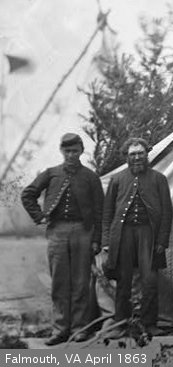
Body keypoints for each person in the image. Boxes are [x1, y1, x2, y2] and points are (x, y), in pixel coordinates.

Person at [21, 133, 104, 345]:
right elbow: (27, 194)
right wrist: (39, 216)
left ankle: (79, 328)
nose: (71, 155)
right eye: (67, 151)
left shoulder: (91, 177)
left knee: (81, 282)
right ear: (61, 151)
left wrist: (96, 239)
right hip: (57, 232)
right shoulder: (51, 173)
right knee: (59, 281)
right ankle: (59, 329)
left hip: (82, 232)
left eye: (75, 151)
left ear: (81, 151)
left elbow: (99, 212)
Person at [102, 137, 173, 337]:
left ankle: (149, 324)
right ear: (127, 156)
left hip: (148, 235)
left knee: (150, 280)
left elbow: (167, 212)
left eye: (140, 153)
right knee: (123, 280)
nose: (137, 158)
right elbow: (107, 213)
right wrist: (106, 241)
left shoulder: (159, 179)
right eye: (132, 154)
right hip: (122, 235)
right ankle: (121, 323)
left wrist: (162, 241)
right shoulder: (117, 179)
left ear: (146, 154)